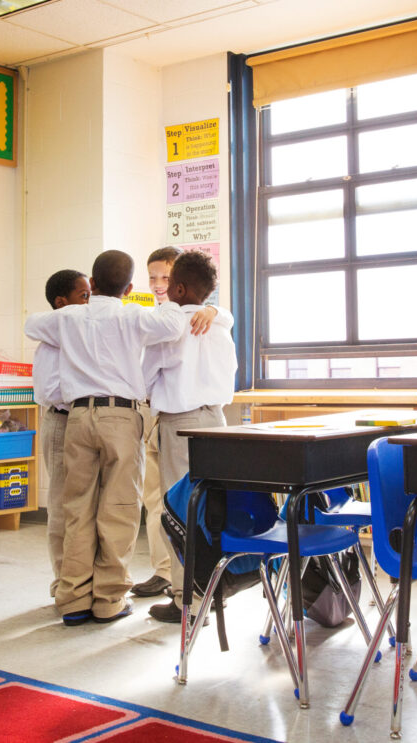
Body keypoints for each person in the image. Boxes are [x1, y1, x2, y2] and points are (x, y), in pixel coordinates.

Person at [24, 250, 186, 626]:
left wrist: (65, 315)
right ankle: (109, 599)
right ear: (129, 288)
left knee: (76, 508)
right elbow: (175, 324)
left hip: (78, 416)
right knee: (119, 509)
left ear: (92, 284)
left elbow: (32, 325)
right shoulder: (133, 315)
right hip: (121, 416)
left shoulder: (67, 316)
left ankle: (74, 599)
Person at [142, 250, 237, 623]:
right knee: (212, 509)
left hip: (180, 423)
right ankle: (215, 590)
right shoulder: (219, 324)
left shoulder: (168, 326)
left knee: (178, 510)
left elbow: (144, 378)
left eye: (166, 282)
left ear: (178, 287)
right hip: (216, 420)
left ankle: (187, 598)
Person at [34, 269, 90, 598]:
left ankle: (79, 579)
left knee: (82, 506)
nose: (89, 302)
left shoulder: (79, 330)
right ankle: (62, 583)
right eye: (83, 295)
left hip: (84, 420)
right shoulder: (55, 332)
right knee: (61, 504)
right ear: (61, 302)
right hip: (61, 419)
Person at [131, 247, 182, 599]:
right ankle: (163, 570)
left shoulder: (195, 315)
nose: (158, 284)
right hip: (152, 413)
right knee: (153, 497)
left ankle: (182, 575)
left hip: (177, 415)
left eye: (166, 277)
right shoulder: (154, 313)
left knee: (177, 499)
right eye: (153, 277)